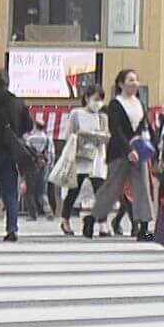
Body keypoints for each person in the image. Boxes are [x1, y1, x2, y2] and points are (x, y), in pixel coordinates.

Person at [92, 68, 157, 240]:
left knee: (142, 188)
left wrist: (154, 145)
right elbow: (116, 129)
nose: (134, 83)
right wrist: (128, 150)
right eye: (130, 80)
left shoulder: (139, 103)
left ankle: (143, 227)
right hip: (120, 152)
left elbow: (147, 126)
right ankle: (93, 218)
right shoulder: (115, 104)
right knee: (112, 189)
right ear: (121, 84)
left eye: (136, 80)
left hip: (139, 152)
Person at [54, 85, 109, 236]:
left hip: (97, 157)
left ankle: (103, 223)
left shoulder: (103, 117)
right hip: (79, 157)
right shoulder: (76, 113)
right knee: (74, 189)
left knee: (100, 189)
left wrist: (98, 136)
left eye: (101, 100)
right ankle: (65, 219)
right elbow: (69, 135)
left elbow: (107, 135)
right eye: (96, 99)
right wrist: (82, 136)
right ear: (87, 98)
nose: (98, 103)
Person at [0, 68, 28, 241]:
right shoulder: (17, 102)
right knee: (10, 193)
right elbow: (28, 125)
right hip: (10, 153)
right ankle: (12, 229)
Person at [20, 116, 51, 221]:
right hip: (43, 166)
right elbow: (50, 154)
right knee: (41, 192)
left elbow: (26, 153)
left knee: (30, 192)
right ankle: (48, 210)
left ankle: (33, 214)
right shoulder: (47, 139)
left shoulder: (30, 139)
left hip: (32, 166)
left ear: (35, 126)